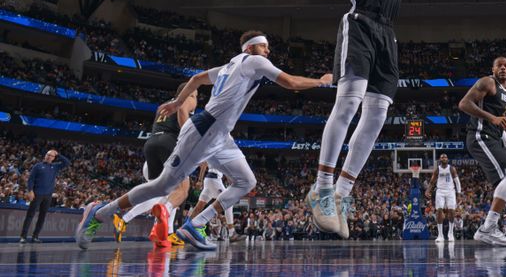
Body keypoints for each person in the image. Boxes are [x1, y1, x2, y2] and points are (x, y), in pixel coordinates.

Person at [306, 0, 484, 238]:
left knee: (376, 115)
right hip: (360, 24)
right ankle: (322, 189)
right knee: (348, 103)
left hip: (387, 34)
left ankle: (342, 194)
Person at [75, 31, 331, 250]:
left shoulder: (229, 66)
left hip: (220, 135)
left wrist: (177, 102)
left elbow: (197, 79)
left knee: (246, 181)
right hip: (204, 131)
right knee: (163, 187)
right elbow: (290, 82)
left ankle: (194, 225)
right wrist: (320, 81)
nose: (268, 50)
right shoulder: (254, 61)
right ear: (251, 47)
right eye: (264, 46)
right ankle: (98, 214)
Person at [457, 57, 506, 246]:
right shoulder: (488, 82)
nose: (502, 67)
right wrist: (492, 117)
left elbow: (500, 128)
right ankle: (487, 228)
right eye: (498, 65)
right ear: (492, 69)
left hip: (493, 138)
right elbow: (464, 104)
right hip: (479, 136)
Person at [113, 82, 197, 247]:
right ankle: (136, 222)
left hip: (151, 144)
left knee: (164, 195)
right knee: (180, 191)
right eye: (194, 95)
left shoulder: (164, 105)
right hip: (168, 145)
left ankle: (167, 232)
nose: (195, 99)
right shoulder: (185, 101)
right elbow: (182, 113)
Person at [19, 149, 70, 243]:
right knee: (30, 215)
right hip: (37, 194)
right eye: (47, 154)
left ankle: (35, 236)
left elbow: (67, 163)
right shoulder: (38, 166)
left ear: (54, 158)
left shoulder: (55, 166)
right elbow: (31, 179)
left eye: (51, 155)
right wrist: (30, 191)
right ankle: (23, 236)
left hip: (48, 196)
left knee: (42, 217)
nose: (48, 156)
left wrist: (58, 154)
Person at [191, 162, 243, 242]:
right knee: (229, 203)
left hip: (209, 180)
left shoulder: (219, 153)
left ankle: (185, 228)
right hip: (214, 179)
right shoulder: (217, 151)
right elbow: (204, 164)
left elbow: (225, 171)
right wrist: (199, 180)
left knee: (199, 206)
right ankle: (232, 233)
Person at [425, 154, 461, 243]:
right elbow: (432, 181)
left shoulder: (451, 168)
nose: (444, 158)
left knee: (452, 211)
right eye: (442, 157)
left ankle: (450, 233)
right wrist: (428, 190)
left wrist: (458, 194)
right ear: (439, 160)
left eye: (445, 157)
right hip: (440, 191)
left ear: (447, 159)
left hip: (450, 191)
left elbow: (457, 182)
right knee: (439, 211)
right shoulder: (437, 169)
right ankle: (440, 235)